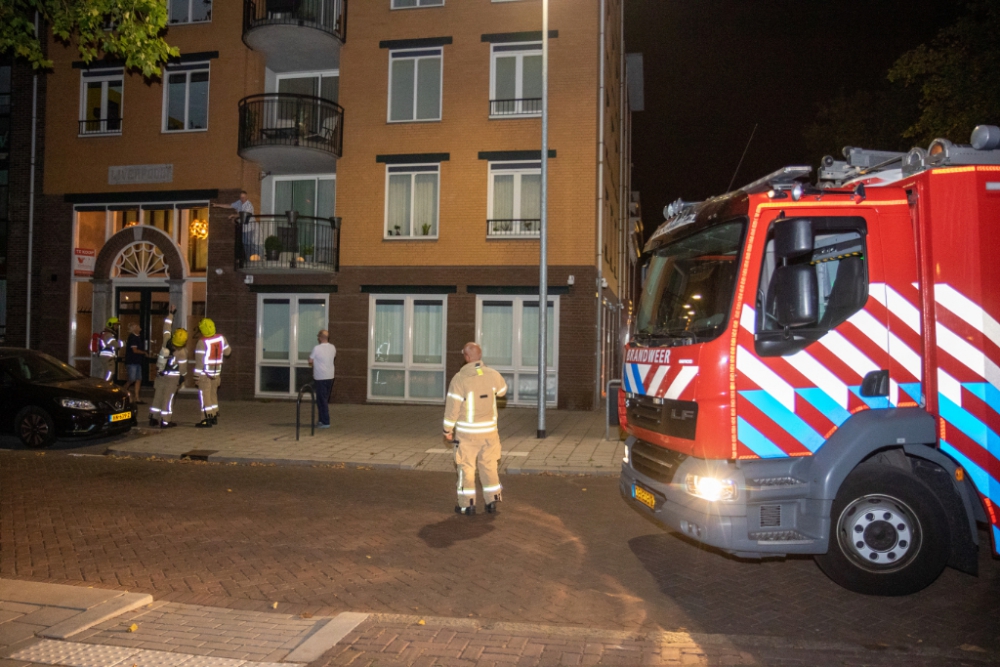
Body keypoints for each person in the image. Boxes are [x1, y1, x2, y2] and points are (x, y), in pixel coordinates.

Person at [442, 342, 508, 515]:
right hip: (489, 433)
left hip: (467, 435)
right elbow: (502, 391)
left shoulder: (459, 378)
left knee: (466, 469)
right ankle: (492, 501)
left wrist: (447, 430)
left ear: (467, 357)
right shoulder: (493, 375)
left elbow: (452, 407)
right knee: (489, 467)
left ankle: (467, 504)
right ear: (479, 356)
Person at [149, 306, 188, 428]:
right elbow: (183, 369)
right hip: (173, 378)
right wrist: (182, 378)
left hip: (161, 374)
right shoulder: (181, 352)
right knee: (168, 398)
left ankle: (153, 418)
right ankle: (165, 420)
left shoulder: (166, 340)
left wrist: (171, 314)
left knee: (158, 396)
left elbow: (166, 328)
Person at [193, 317, 231, 428]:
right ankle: (214, 415)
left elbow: (199, 363)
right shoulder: (221, 338)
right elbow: (228, 352)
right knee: (213, 394)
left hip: (205, 374)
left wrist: (196, 377)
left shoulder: (201, 342)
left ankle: (206, 419)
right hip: (216, 373)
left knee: (205, 396)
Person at [213, 190, 258, 263]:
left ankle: (254, 258)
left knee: (249, 243)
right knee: (244, 243)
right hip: (243, 228)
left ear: (247, 197)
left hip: (250, 227)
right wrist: (217, 205)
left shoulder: (249, 205)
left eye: (243, 197)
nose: (242, 199)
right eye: (241, 197)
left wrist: (233, 216)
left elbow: (242, 214)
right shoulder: (239, 202)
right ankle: (249, 259)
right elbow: (229, 205)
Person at [308, 329, 336, 428]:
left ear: (320, 338)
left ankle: (325, 421)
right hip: (330, 376)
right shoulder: (332, 347)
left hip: (320, 377)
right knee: (324, 399)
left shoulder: (317, 348)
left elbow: (310, 361)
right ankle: (321, 420)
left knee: (321, 400)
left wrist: (313, 361)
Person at [124, 322, 145, 404]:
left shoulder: (138, 337)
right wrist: (144, 353)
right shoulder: (132, 338)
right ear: (133, 329)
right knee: (132, 379)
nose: (140, 327)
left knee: (138, 379)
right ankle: (123, 390)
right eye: (137, 326)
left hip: (137, 361)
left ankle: (137, 397)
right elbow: (134, 350)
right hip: (132, 361)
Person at [97, 317, 123, 382]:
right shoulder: (108, 335)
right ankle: (105, 386)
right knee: (109, 373)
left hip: (106, 357)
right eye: (116, 325)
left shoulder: (107, 334)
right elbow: (115, 344)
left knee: (109, 373)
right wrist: (125, 343)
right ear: (111, 325)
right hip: (107, 358)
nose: (117, 327)